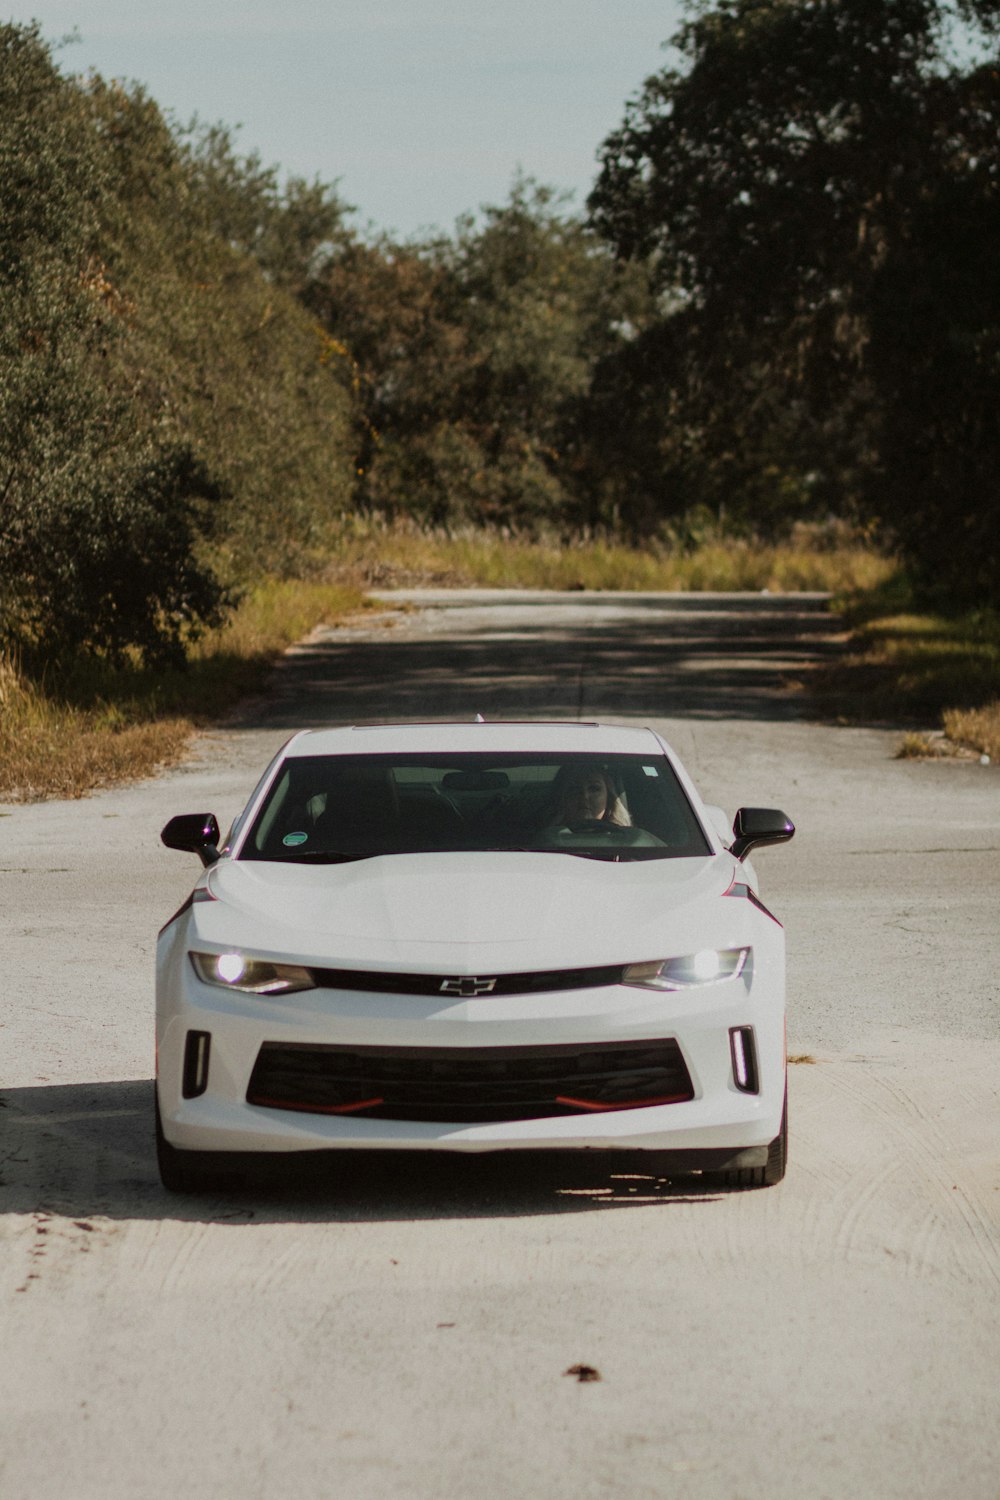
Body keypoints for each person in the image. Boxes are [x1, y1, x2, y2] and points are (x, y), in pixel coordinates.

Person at [547, 763, 630, 828]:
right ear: (562, 797)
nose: (584, 796)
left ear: (608, 798)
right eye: (574, 789)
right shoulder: (544, 842)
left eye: (594, 789)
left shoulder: (625, 841)